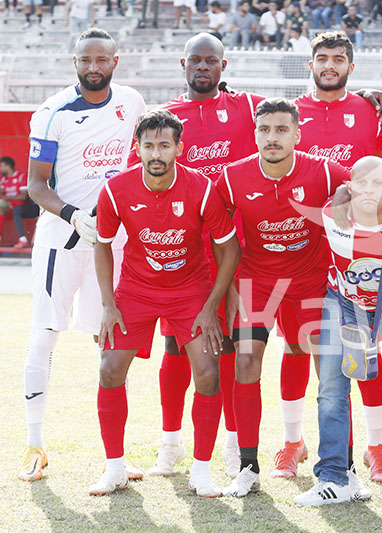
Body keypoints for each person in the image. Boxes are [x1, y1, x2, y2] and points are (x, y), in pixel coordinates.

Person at [124, 33, 266, 481]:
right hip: (181, 257)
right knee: (176, 348)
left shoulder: (245, 108)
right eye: (196, 60)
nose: (203, 67)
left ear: (224, 66)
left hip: (231, 252)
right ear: (183, 64)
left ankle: (228, 442)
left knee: (222, 346)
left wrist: (365, 96)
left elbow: (302, 109)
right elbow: (137, 177)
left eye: (212, 61)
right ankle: (170, 444)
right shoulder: (163, 120)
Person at [19, 28, 147, 483]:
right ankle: (35, 445)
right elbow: (37, 186)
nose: (93, 67)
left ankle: (116, 455)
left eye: (101, 59)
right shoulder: (51, 112)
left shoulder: (131, 102)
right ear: (74, 62)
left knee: (111, 343)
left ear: (116, 60)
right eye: (84, 60)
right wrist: (74, 215)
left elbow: (160, 135)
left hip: (113, 245)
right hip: (63, 238)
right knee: (44, 334)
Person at [90, 110, 240, 496]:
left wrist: (210, 305)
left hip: (190, 290)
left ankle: (202, 471)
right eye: (149, 145)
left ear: (178, 148)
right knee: (109, 370)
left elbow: (230, 250)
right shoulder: (115, 190)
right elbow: (102, 245)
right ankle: (114, 469)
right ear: (137, 148)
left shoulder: (202, 188)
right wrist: (108, 303)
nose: (156, 153)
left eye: (164, 145)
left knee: (207, 375)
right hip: (136, 290)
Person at [214, 98, 357, 498]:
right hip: (257, 280)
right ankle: (247, 467)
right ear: (255, 133)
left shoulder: (325, 171)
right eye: (264, 130)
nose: (272, 137)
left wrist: (346, 194)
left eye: (281, 130)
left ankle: (343, 467)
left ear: (297, 134)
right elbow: (215, 230)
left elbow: (365, 183)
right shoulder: (232, 177)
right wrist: (223, 290)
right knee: (245, 361)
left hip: (311, 281)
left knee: (328, 372)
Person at [292, 31, 382, 483]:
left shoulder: (368, 110)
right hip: (303, 245)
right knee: (320, 357)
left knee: (371, 353)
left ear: (351, 66)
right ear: (309, 64)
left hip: (360, 254)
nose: (330, 64)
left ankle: (377, 447)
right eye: (322, 57)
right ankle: (305, 446)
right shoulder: (292, 116)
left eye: (338, 59)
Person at [294, 156, 382, 507]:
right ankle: (334, 478)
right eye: (362, 183)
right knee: (331, 390)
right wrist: (342, 196)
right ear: (350, 186)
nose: (370, 190)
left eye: (378, 184)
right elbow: (337, 200)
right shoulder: (332, 213)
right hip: (345, 302)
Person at [0, 157, 37, 249]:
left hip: (23, 207)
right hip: (8, 208)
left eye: (1, 166)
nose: (0, 168)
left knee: (16, 210)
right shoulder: (3, 180)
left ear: (8, 167)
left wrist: (5, 197)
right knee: (1, 210)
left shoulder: (21, 177)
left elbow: (23, 197)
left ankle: (23, 239)